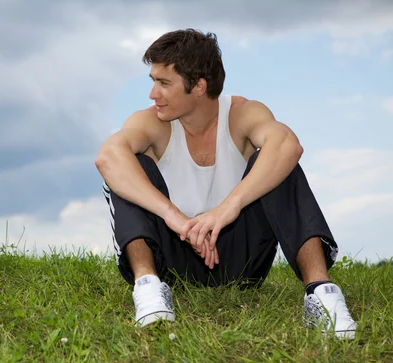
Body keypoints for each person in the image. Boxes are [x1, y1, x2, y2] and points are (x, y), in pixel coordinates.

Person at [95, 29, 357, 339]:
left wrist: (225, 209)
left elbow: (288, 145)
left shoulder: (243, 113)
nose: (153, 94)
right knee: (130, 165)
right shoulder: (151, 122)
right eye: (153, 81)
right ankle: (148, 287)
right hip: (173, 260)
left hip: (241, 260)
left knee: (277, 162)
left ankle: (321, 293)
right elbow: (108, 157)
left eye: (164, 83)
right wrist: (174, 217)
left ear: (199, 86)